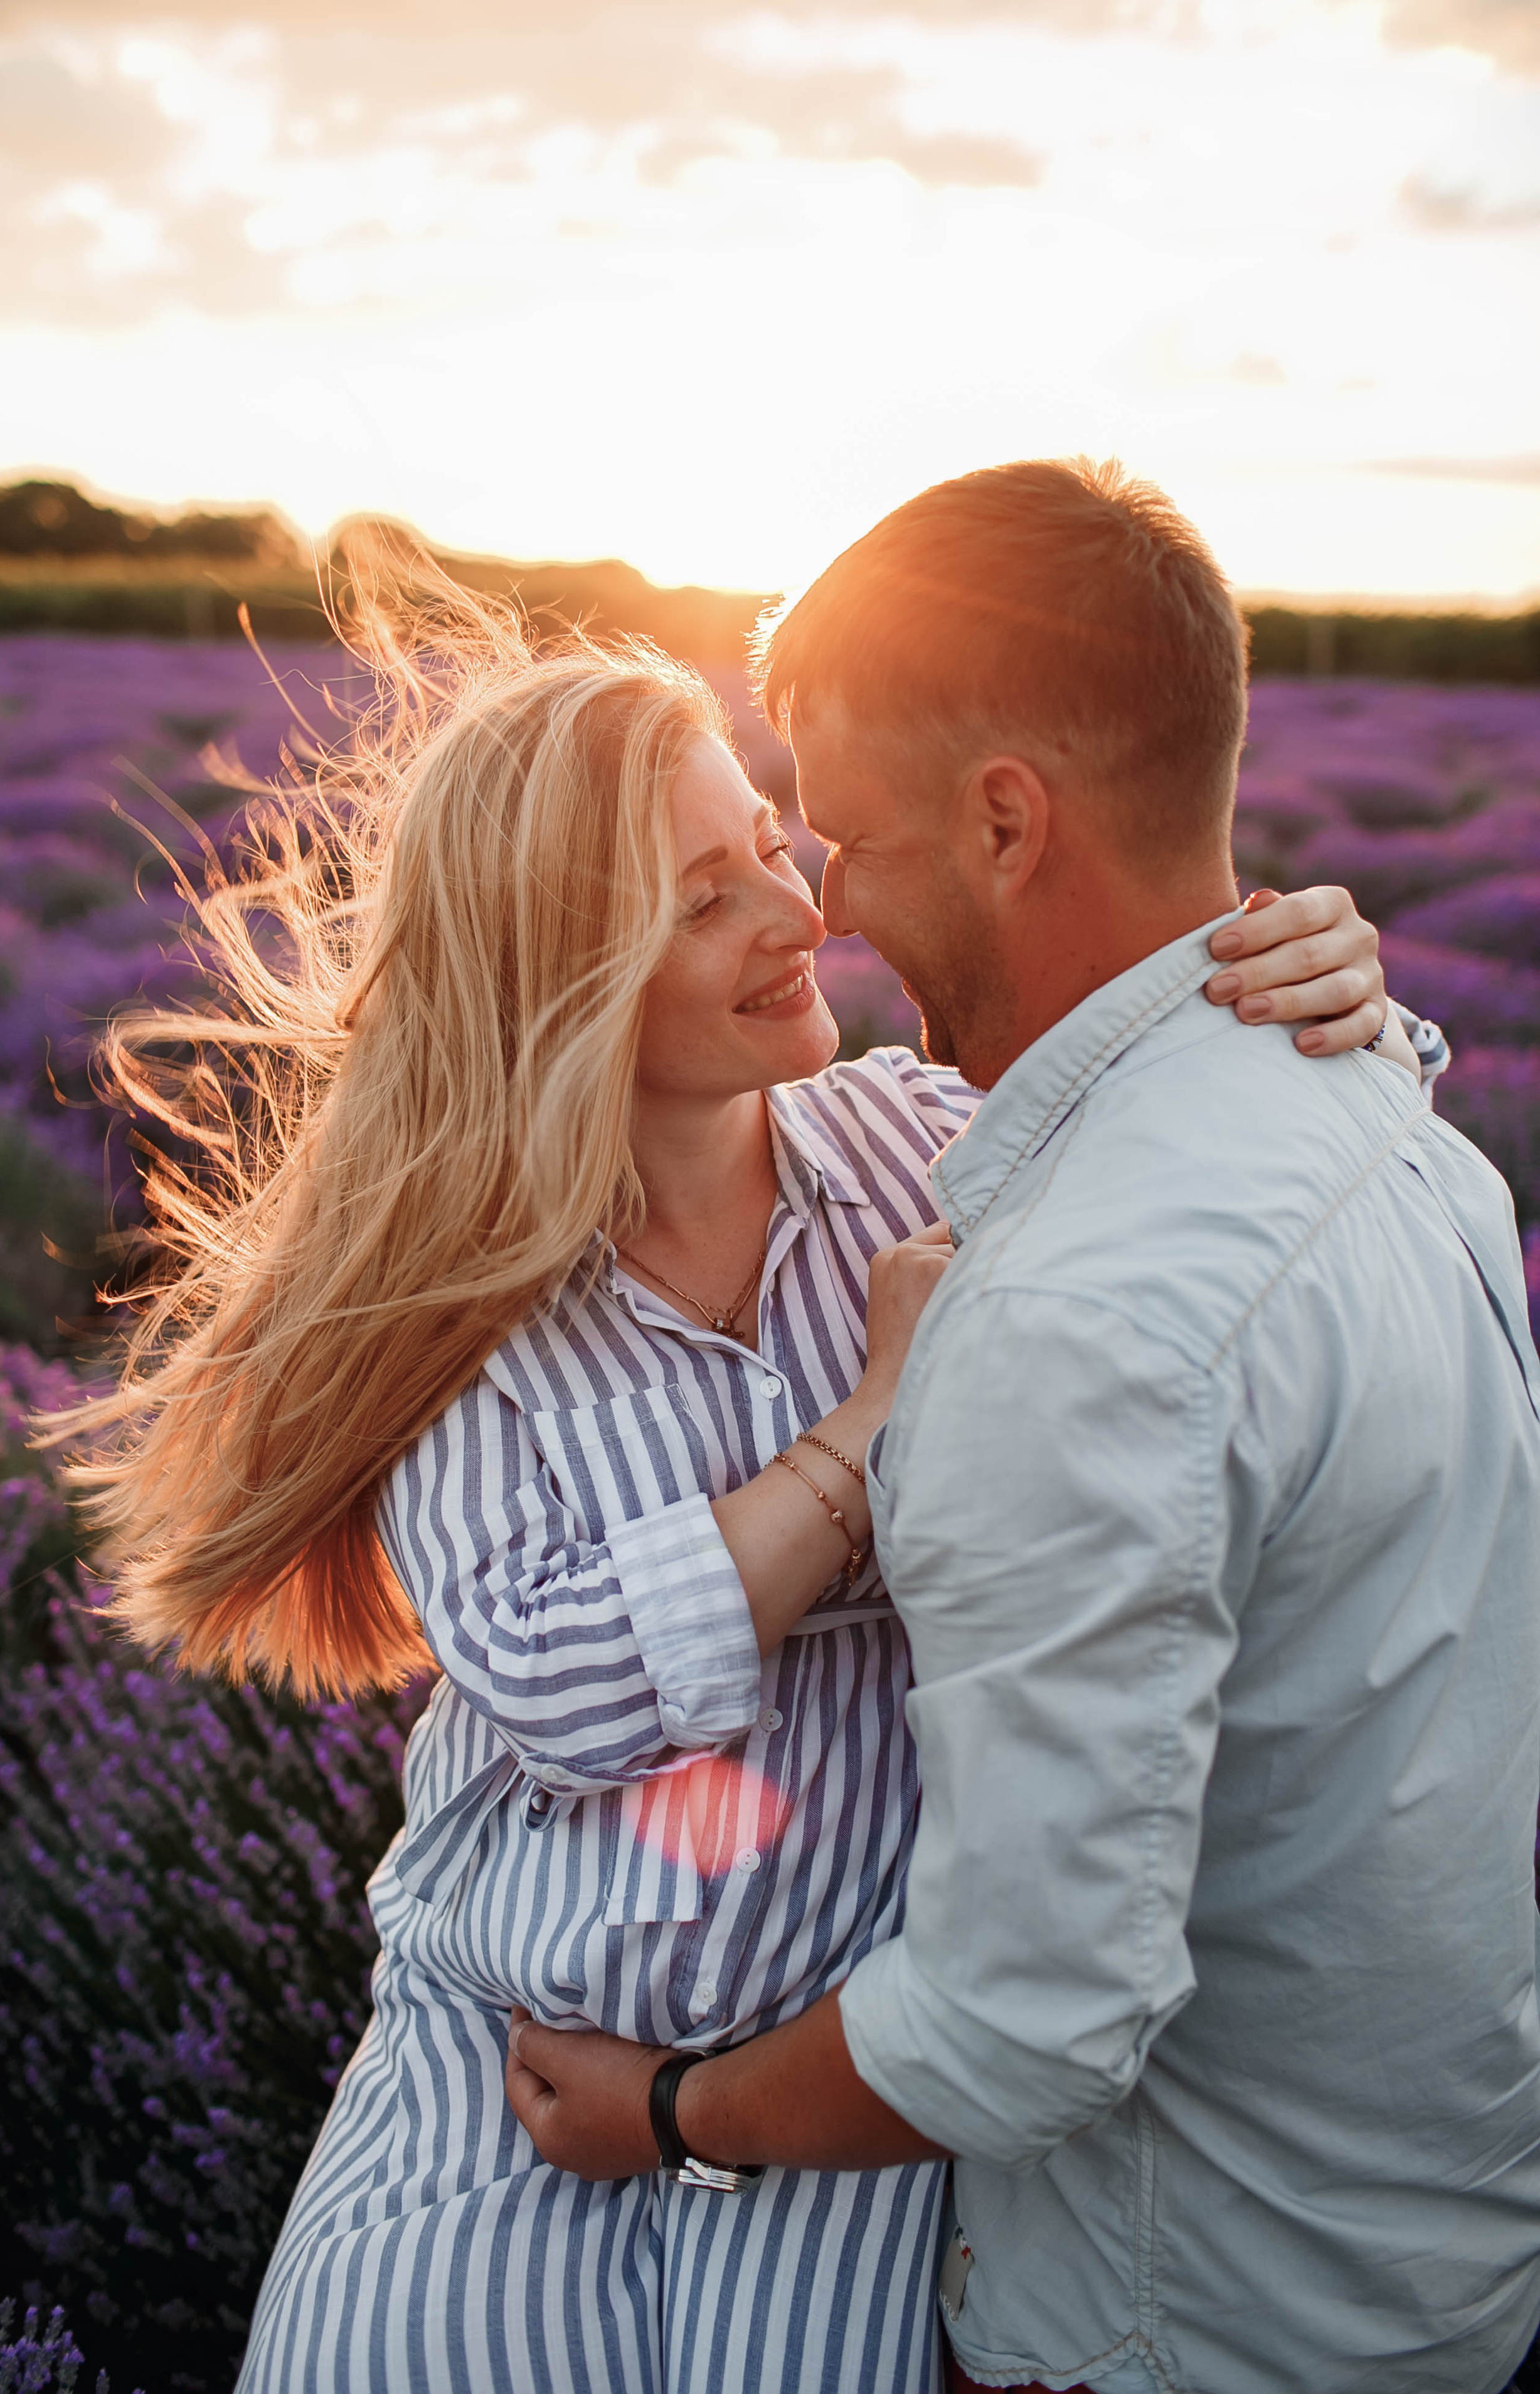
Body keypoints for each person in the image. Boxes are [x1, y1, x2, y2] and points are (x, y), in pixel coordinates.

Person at [65, 542, 1418, 2394]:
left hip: (829, 2119)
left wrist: (1327, 986)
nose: (800, 910)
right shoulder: (465, 1311)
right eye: (709, 901)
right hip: (508, 2096)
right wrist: (872, 1428)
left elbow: (1229, 1168)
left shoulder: (921, 1138)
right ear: (567, 983)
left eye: (772, 847)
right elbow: (561, 1682)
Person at [504, 460, 1540, 2394]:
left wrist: (670, 2110)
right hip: (1429, 2254)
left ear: (1005, 820)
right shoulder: (1405, 1133)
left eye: (842, 838)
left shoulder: (1072, 1318)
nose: (825, 902)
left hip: (1183, 2321)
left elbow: (1019, 2026)